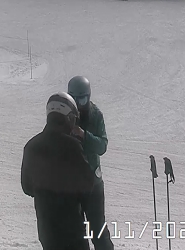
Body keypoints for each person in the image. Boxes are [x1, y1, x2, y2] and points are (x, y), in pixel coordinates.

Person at [22, 92, 96, 250]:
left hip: (46, 228)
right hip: (72, 229)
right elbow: (88, 184)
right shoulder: (72, 146)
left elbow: (27, 187)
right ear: (68, 118)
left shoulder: (31, 145)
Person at [67, 76, 114, 250]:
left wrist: (84, 135)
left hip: (93, 182)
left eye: (82, 99)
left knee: (98, 230)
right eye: (74, 99)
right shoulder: (64, 114)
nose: (79, 104)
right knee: (76, 232)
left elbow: (102, 146)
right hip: (71, 184)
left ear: (88, 96)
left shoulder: (95, 115)